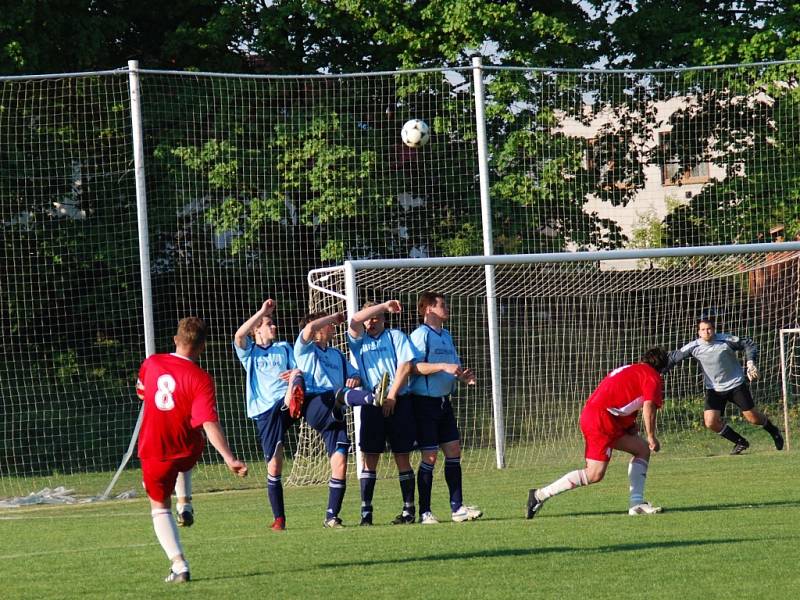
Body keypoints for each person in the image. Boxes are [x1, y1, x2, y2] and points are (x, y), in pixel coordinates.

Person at [136, 317, 248, 584]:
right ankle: (185, 502)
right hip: (187, 447)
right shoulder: (201, 379)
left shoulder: (151, 363)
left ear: (176, 340)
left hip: (155, 447)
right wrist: (229, 458)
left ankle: (179, 565)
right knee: (186, 453)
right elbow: (208, 423)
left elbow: (142, 394)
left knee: (158, 505)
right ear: (203, 347)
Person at [526, 347, 669, 519]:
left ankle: (636, 504)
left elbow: (620, 397)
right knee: (594, 474)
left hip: (602, 416)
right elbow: (649, 406)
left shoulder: (631, 369)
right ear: (662, 368)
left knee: (642, 449)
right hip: (600, 419)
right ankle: (539, 495)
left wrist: (629, 424)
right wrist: (651, 435)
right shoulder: (652, 376)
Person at [295, 310, 389, 528]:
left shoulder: (336, 354)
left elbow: (353, 373)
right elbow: (308, 329)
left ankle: (331, 516)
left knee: (340, 462)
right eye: (327, 324)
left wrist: (355, 378)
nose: (332, 327)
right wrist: (332, 317)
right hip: (316, 404)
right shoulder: (305, 348)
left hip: (335, 411)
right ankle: (373, 397)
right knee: (336, 393)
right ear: (317, 329)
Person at [408, 292, 482, 524]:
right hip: (424, 404)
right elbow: (412, 367)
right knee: (429, 457)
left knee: (454, 453)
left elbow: (453, 368)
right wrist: (441, 366)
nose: (447, 308)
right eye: (442, 305)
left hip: (444, 403)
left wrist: (463, 377)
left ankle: (457, 508)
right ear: (428, 309)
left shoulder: (446, 335)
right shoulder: (421, 335)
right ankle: (425, 512)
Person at [233, 299, 305, 531]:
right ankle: (279, 519)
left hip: (285, 404)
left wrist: (294, 381)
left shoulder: (284, 347)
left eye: (273, 323)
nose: (274, 327)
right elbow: (238, 336)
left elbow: (298, 370)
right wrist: (262, 312)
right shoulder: (250, 353)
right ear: (257, 330)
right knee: (274, 467)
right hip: (265, 413)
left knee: (310, 398)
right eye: (268, 324)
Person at [347, 300, 419, 526]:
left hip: (399, 401)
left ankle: (408, 511)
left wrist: (392, 396)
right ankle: (366, 514)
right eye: (370, 316)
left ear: (384, 320)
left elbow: (405, 367)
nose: (372, 321)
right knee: (370, 458)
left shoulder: (396, 336)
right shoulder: (358, 341)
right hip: (371, 403)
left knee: (402, 456)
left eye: (377, 317)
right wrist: (383, 306)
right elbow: (355, 320)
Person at [666, 318, 784, 454]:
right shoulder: (694, 346)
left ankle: (774, 431)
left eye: (709, 328)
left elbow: (748, 344)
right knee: (710, 422)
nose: (706, 332)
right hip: (714, 389)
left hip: (736, 385)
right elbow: (673, 358)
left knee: (753, 418)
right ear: (699, 332)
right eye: (703, 329)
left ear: (714, 329)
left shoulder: (725, 340)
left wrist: (751, 362)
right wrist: (658, 372)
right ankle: (740, 442)